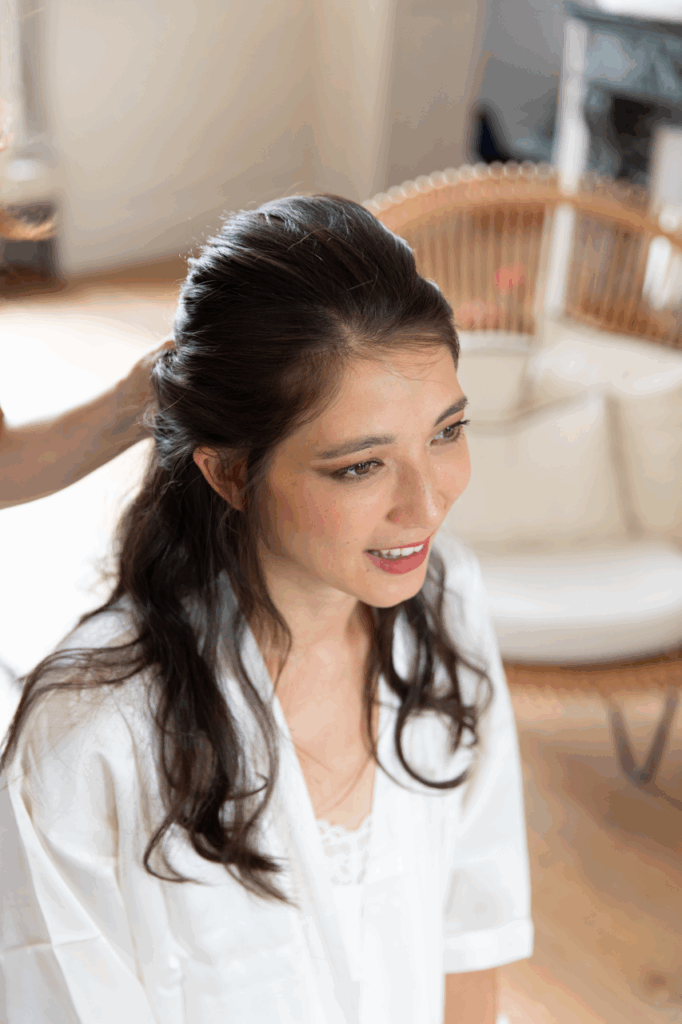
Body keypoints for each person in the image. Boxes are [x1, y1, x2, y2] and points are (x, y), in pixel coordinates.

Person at [0, 193, 533, 1024]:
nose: (427, 504)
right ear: (228, 474)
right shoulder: (91, 741)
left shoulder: (447, 608)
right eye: (360, 467)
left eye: (446, 431)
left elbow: (473, 934)